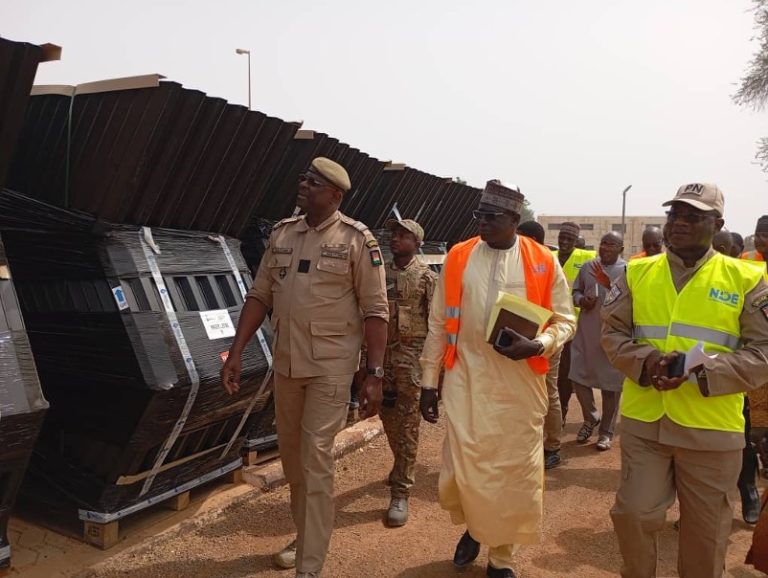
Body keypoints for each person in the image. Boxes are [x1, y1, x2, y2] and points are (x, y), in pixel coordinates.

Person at [221, 157, 389, 578]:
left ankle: (309, 568)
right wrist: (238, 350)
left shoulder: (356, 241)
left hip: (330, 370)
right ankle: (304, 539)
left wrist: (375, 373)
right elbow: (260, 295)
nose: (303, 184)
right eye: (303, 178)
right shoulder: (281, 234)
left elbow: (376, 311)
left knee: (314, 458)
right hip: (287, 366)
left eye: (313, 182)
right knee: (294, 462)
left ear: (334, 195)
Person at [602, 182, 768, 578]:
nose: (679, 223)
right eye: (674, 214)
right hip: (647, 421)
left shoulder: (746, 279)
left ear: (718, 223)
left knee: (704, 538)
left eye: (693, 216)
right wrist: (649, 362)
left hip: (712, 428)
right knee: (633, 514)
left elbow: (762, 353)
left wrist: (701, 372)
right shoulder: (636, 272)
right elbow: (612, 334)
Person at [419, 180, 576, 578]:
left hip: (519, 386)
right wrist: (427, 381)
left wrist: (538, 344)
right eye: (479, 215)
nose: (482, 224)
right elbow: (438, 323)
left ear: (513, 219)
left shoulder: (543, 260)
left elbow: (565, 321)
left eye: (491, 217)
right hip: (465, 380)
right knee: (463, 469)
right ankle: (475, 527)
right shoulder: (458, 256)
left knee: (514, 473)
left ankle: (501, 556)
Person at [379, 218, 437, 527]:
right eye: (394, 234)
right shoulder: (379, 274)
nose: (396, 239)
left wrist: (434, 371)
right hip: (383, 360)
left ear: (417, 243)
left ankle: (401, 490)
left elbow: (437, 324)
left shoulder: (426, 277)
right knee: (387, 417)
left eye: (404, 236)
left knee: (409, 424)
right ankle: (400, 463)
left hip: (412, 362)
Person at [569, 232, 626, 451]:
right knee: (577, 375)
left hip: (612, 336)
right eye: (603, 243)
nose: (605, 248)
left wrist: (608, 284)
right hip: (586, 333)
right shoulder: (587, 267)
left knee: (611, 387)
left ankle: (606, 432)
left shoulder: (627, 270)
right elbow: (576, 291)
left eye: (611, 244)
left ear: (620, 249)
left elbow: (628, 301)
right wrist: (582, 300)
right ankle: (590, 416)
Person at [553, 222, 596, 423]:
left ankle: (562, 410)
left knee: (566, 372)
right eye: (562, 237)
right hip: (549, 323)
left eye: (569, 239)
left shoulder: (587, 258)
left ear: (576, 240)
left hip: (573, 326)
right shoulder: (549, 257)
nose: (564, 242)